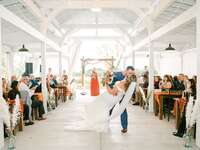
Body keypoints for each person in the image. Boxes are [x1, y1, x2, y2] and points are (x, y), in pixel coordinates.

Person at [107, 66, 135, 133]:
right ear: (126, 71)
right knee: (110, 108)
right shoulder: (117, 74)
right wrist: (113, 90)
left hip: (123, 96)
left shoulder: (131, 78)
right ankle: (106, 122)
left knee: (123, 110)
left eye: (131, 73)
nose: (130, 74)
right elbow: (110, 83)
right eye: (129, 73)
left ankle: (124, 127)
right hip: (114, 95)